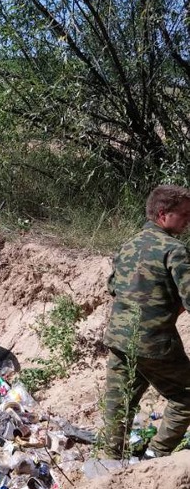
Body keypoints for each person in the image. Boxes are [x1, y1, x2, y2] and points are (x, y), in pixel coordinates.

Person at [103, 183, 190, 459]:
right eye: (184, 215)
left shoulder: (128, 245)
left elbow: (114, 287)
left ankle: (108, 460)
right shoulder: (174, 250)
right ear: (163, 214)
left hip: (119, 340)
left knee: (119, 404)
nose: (188, 221)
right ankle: (155, 455)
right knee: (186, 396)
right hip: (155, 344)